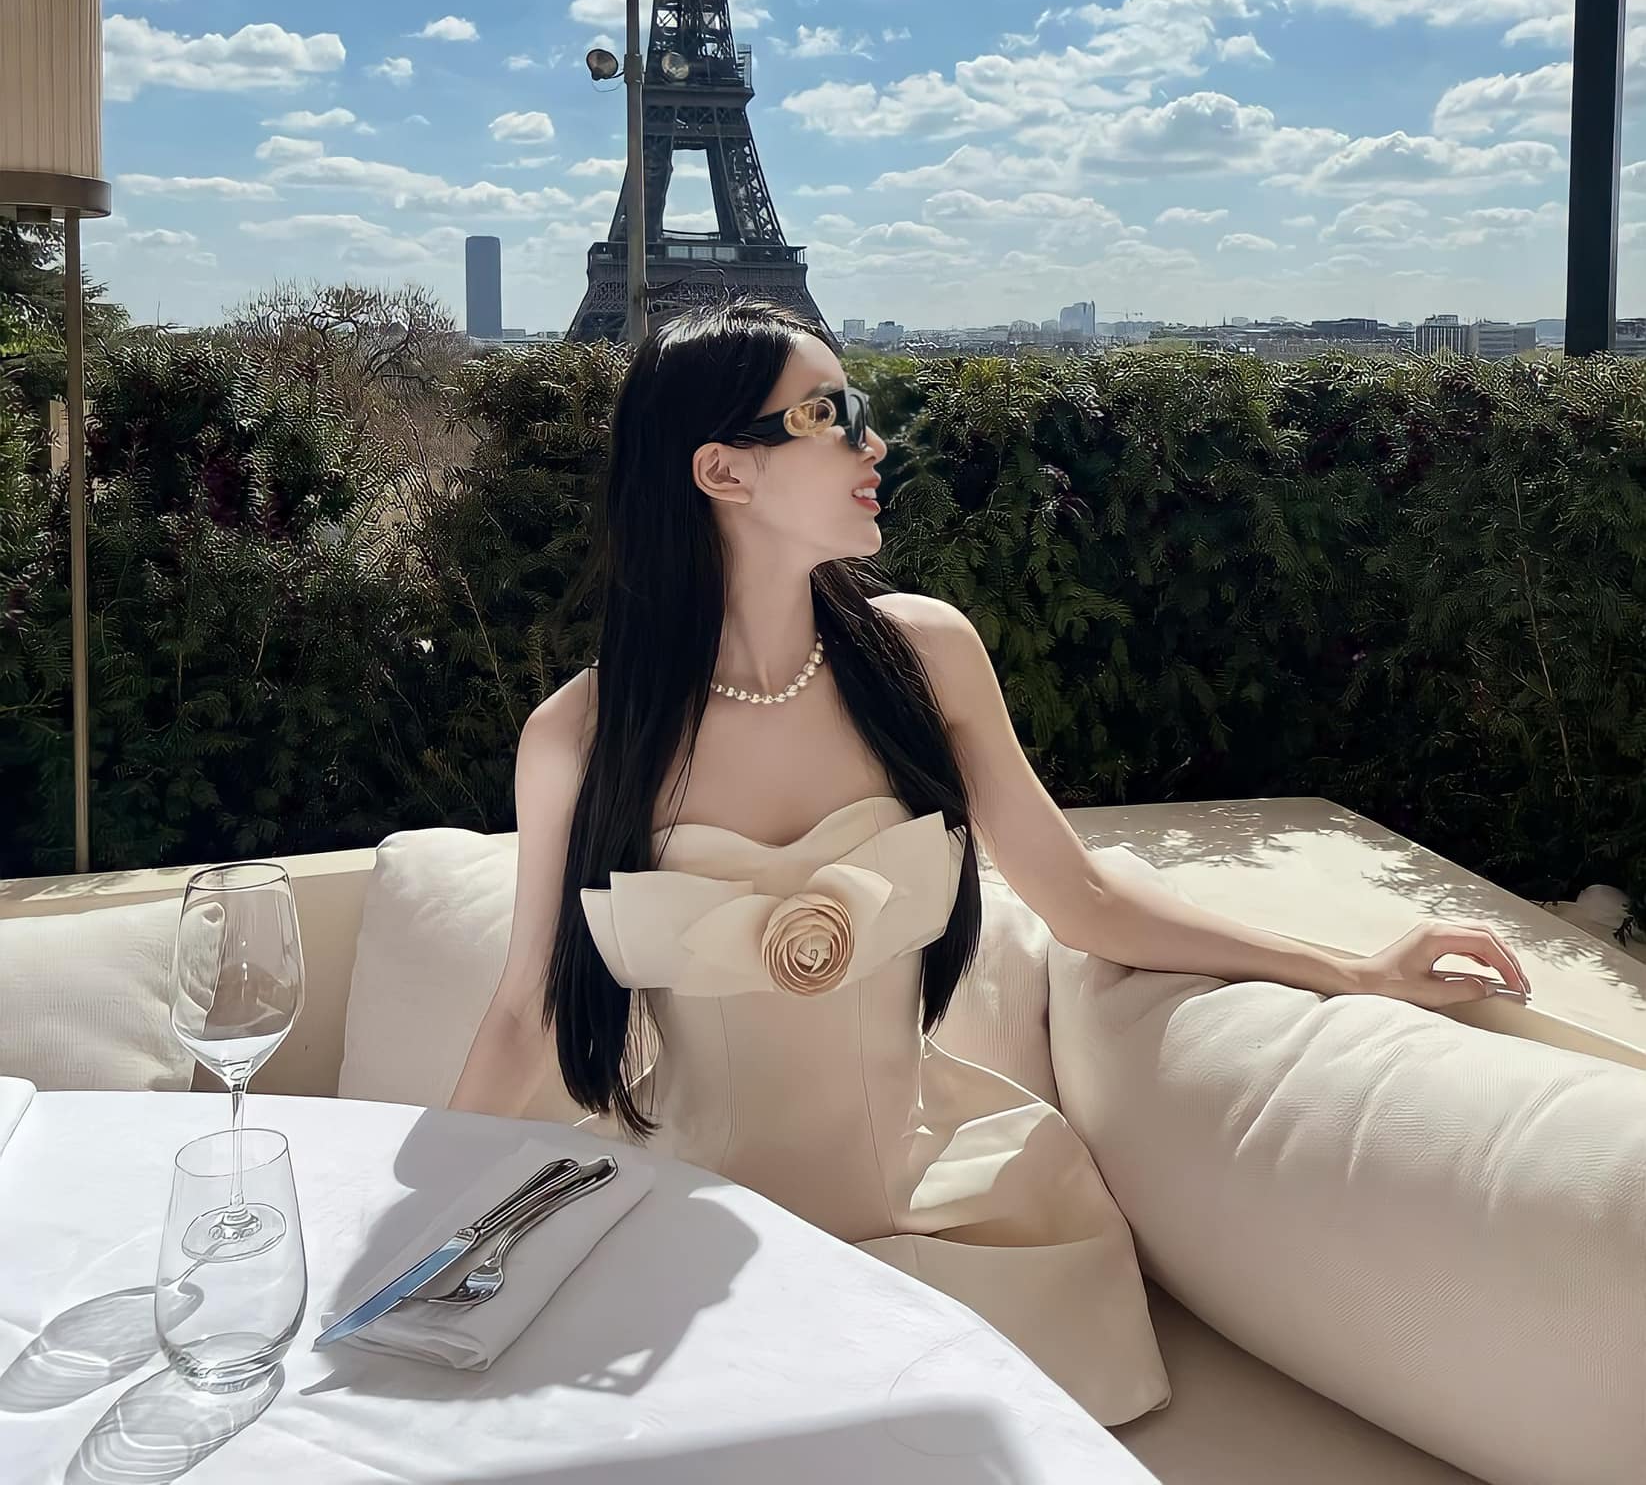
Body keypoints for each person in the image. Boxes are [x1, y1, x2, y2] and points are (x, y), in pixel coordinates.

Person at [451, 293, 1531, 1425]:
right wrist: (413, 1231)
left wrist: (1355, 970)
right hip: (681, 1241)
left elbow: (1085, 898)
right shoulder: (580, 737)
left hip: (944, 1223)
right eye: (829, 415)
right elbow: (526, 1010)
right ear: (722, 470)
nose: (874, 442)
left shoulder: (924, 656)